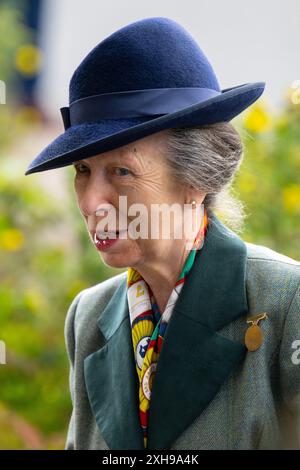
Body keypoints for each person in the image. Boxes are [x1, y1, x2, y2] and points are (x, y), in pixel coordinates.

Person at [25, 17, 300, 450]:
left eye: (121, 171)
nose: (92, 201)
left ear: (196, 181)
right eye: (83, 170)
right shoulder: (89, 318)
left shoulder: (287, 300)